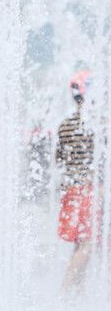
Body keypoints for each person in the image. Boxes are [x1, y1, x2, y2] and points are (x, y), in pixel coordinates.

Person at [56, 70, 96, 294]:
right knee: (88, 243)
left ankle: (77, 293)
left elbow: (59, 159)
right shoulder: (95, 124)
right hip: (88, 189)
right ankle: (64, 291)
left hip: (70, 188)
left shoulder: (65, 125)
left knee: (80, 242)